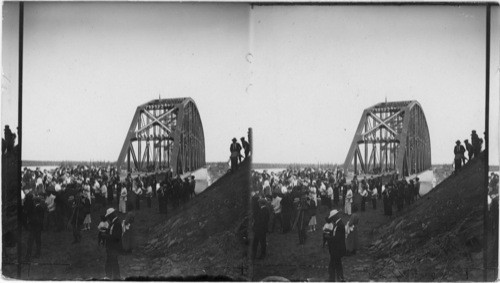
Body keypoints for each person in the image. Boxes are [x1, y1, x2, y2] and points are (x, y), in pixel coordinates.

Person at [324, 209, 346, 282]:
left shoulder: (340, 225)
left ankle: (333, 279)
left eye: (332, 218)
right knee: (336, 264)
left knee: (333, 265)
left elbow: (337, 238)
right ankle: (339, 278)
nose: (332, 219)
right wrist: (330, 232)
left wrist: (328, 238)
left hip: (337, 249)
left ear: (335, 217)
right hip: (336, 248)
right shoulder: (337, 223)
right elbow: (335, 233)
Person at [103, 208, 122, 280]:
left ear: (112, 215)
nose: (108, 218)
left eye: (108, 216)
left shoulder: (117, 223)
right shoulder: (113, 222)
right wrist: (106, 230)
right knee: (109, 261)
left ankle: (116, 277)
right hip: (110, 246)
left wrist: (106, 236)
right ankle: (109, 275)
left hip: (114, 246)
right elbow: (111, 230)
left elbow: (116, 237)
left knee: (114, 261)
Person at [24, 195, 45, 260]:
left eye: (33, 201)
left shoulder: (39, 208)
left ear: (35, 201)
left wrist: (31, 221)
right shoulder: (38, 207)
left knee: (33, 241)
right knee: (36, 241)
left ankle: (32, 255)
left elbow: (38, 219)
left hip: (35, 227)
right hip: (36, 227)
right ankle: (35, 254)